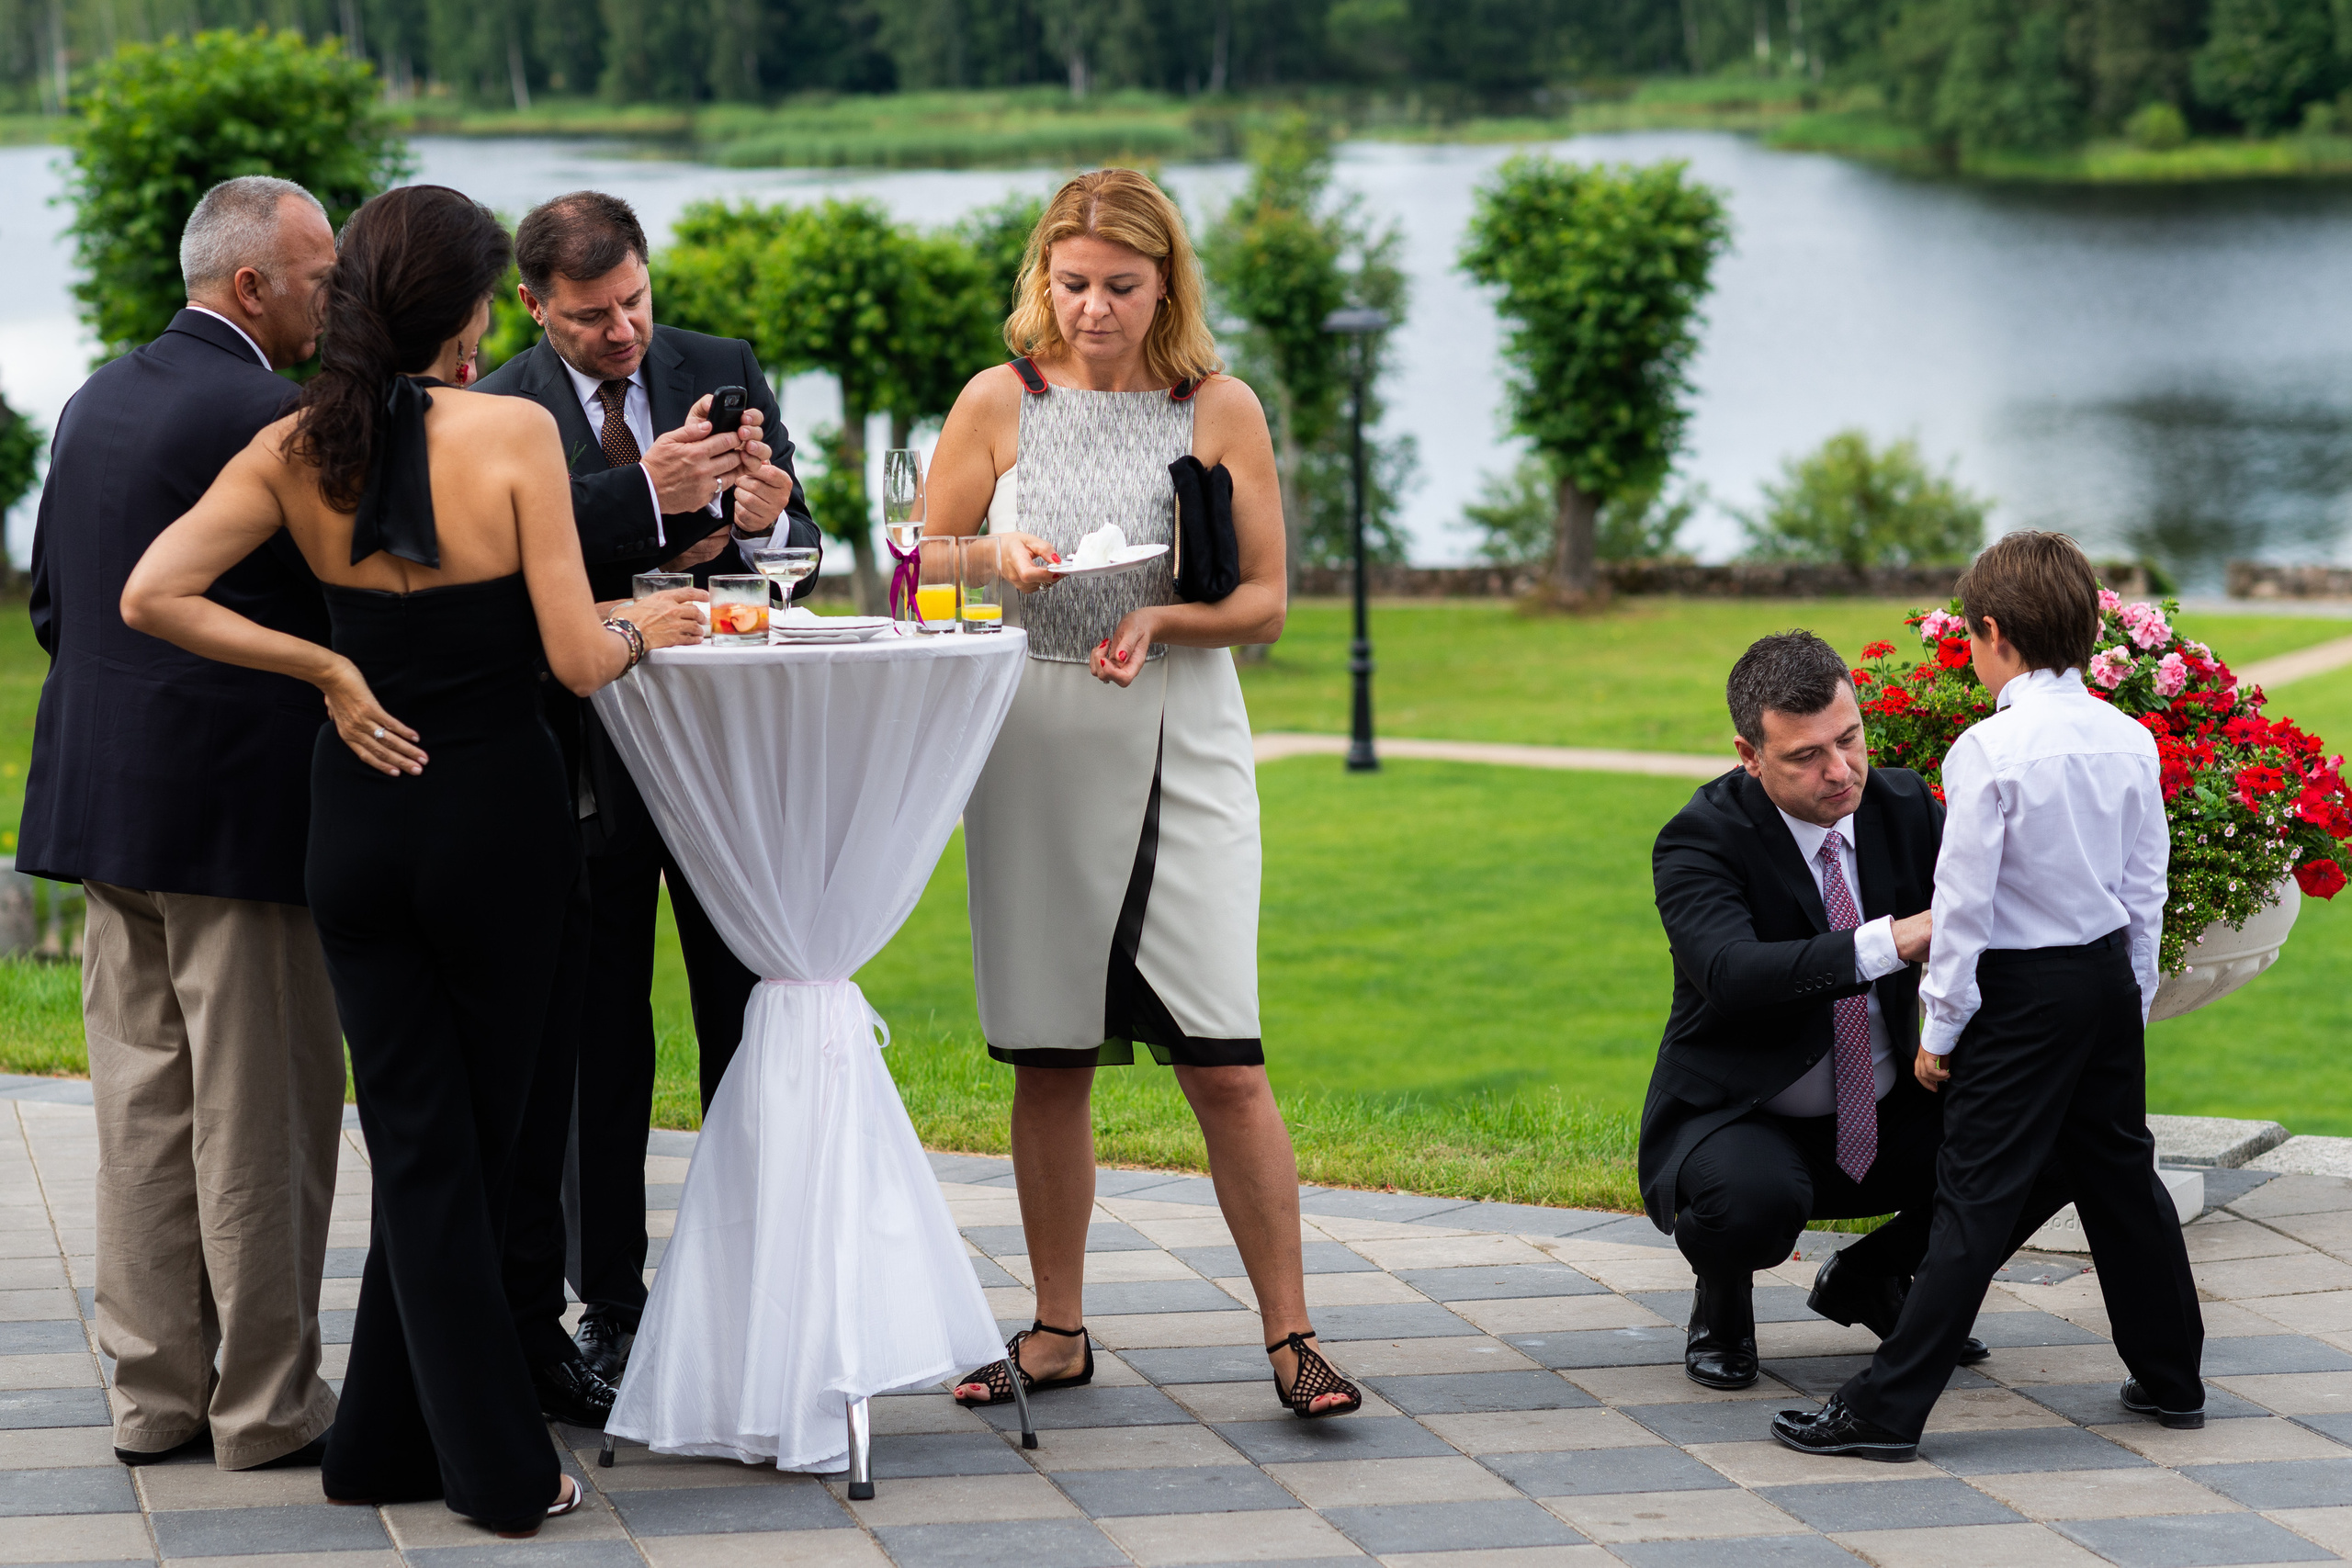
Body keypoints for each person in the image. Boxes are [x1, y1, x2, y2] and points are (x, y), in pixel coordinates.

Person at [119, 184, 706, 1534]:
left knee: (426, 1141)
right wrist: (653, 628)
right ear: (469, 315)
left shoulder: (291, 443)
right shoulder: (508, 432)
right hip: (495, 830)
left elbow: (152, 590)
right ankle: (501, 1465)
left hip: (357, 828)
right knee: (468, 1157)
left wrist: (327, 662)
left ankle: (379, 1435)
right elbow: (575, 655)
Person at [921, 168, 1358, 1421]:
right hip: (1034, 743)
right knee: (1048, 1052)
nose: (1094, 308)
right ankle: (1056, 1327)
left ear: (1165, 281)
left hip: (1180, 734)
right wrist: (988, 552)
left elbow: (1266, 601)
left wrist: (1163, 611)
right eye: (1072, 284)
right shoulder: (994, 401)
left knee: (1223, 1052)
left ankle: (1293, 1335)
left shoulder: (1220, 406)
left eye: (1119, 285)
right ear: (1040, 280)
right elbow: (919, 561)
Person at [18, 176, 344, 1471]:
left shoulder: (98, 392)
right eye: (320, 269)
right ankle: (266, 1406)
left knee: (142, 1102)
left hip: (104, 801)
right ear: (251, 284)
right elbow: (336, 612)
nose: (338, 290)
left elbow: (55, 598)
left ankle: (152, 1394)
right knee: (260, 1109)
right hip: (238, 812)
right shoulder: (276, 415)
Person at [473, 190, 821, 1394]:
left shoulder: (718, 366)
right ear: (534, 307)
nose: (622, 333)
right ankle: (609, 1305)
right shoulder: (496, 402)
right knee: (598, 1047)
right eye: (588, 316)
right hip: (583, 761)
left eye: (633, 301)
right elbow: (501, 574)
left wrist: (769, 528)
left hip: (725, 761)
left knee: (745, 1016)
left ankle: (746, 1279)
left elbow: (801, 555)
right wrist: (656, 495)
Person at [1779, 533, 2203, 1461]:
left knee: (1974, 1194)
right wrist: (2125, 999)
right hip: (2099, 978)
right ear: (2088, 630)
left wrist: (1939, 1029)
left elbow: (1963, 909)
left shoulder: (1988, 749)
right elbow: (2146, 888)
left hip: (2022, 990)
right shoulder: (2129, 738)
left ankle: (1886, 1411)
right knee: (2121, 1175)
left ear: (1991, 632)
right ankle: (2173, 1377)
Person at [1645, 631, 2018, 1389]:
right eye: (1805, 755)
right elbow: (1730, 973)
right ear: (1750, 755)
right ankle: (1722, 1302)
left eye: (1849, 738)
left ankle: (1871, 1276)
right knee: (1751, 1201)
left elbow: (1994, 927)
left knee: (2054, 1131)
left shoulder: (1908, 806)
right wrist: (1891, 939)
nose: (1840, 769)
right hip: (1746, 1110)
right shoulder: (1701, 838)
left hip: (1893, 1105)